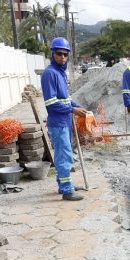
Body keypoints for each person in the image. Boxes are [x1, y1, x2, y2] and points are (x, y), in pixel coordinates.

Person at [41, 37, 86, 201]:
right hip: (58, 122)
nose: (62, 57)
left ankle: (64, 185)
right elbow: (51, 103)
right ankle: (67, 190)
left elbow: (65, 98)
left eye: (65, 54)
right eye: (59, 54)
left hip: (66, 121)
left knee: (65, 154)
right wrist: (73, 109)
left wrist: (76, 106)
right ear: (53, 54)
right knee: (63, 156)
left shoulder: (61, 73)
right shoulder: (50, 74)